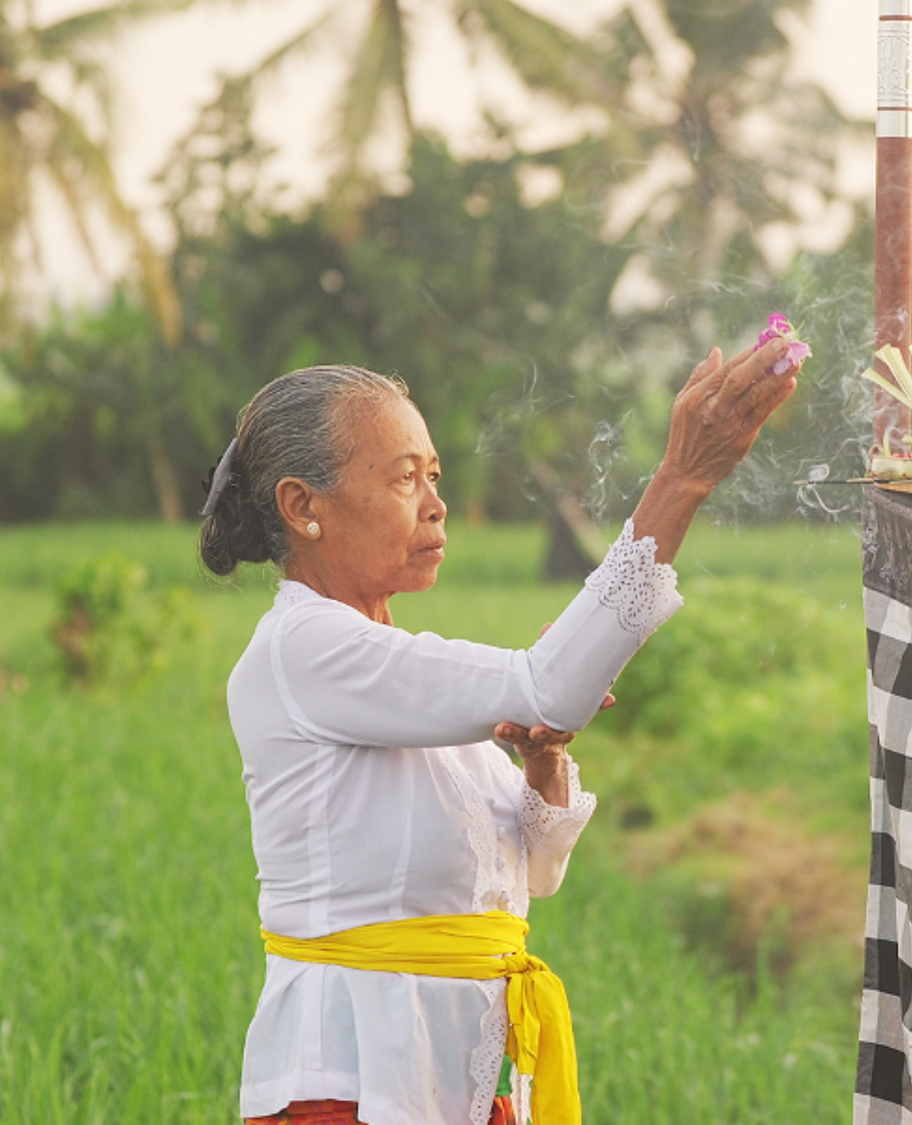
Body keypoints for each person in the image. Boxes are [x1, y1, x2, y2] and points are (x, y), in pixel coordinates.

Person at [197, 339, 800, 1125]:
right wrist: (681, 479)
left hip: (467, 1067)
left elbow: (531, 874)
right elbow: (551, 680)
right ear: (303, 506)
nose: (435, 503)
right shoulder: (304, 650)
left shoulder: (394, 674)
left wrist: (543, 760)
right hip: (353, 1077)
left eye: (435, 476)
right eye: (404, 477)